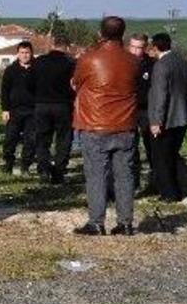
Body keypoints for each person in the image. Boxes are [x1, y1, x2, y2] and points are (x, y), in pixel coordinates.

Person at [72, 16, 139, 235]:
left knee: (96, 176)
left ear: (101, 33)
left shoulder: (89, 59)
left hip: (96, 124)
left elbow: (76, 82)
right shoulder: (133, 61)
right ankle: (126, 222)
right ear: (123, 34)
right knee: (125, 176)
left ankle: (96, 222)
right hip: (126, 124)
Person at [147, 33, 187, 203]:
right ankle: (185, 186)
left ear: (155, 46)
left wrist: (156, 121)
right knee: (172, 154)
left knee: (161, 157)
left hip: (167, 118)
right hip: (183, 115)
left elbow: (160, 95)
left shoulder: (161, 66)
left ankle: (169, 193)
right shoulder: (181, 62)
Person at [31, 35, 76, 184]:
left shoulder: (38, 62)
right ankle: (59, 172)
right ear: (67, 47)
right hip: (63, 105)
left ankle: (43, 169)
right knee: (63, 139)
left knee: (42, 139)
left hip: (41, 104)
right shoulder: (70, 63)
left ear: (52, 45)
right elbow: (75, 85)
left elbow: (28, 83)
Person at [0, 41, 36, 175]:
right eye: (22, 53)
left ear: (31, 53)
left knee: (31, 140)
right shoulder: (11, 70)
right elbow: (4, 90)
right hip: (14, 110)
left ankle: (25, 166)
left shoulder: (37, 69)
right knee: (10, 139)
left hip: (32, 111)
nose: (25, 55)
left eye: (27, 53)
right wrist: (5, 109)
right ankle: (8, 164)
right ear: (17, 54)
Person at [127, 33, 156, 193]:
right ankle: (133, 182)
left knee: (151, 146)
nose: (136, 51)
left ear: (145, 48)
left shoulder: (152, 64)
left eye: (139, 48)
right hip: (128, 108)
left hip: (146, 109)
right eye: (133, 47)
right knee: (130, 147)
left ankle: (155, 181)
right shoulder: (123, 62)